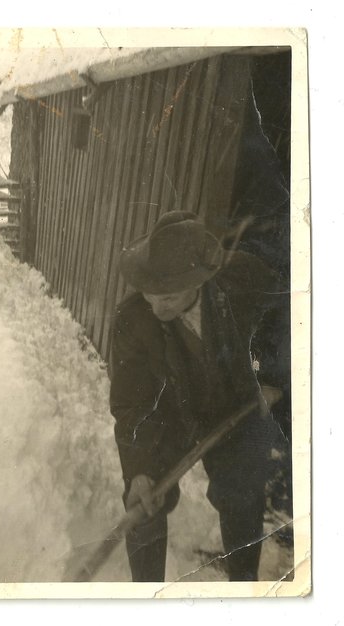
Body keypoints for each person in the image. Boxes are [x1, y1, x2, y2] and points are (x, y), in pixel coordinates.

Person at [110, 210, 286, 582]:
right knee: (144, 502)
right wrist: (140, 469)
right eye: (149, 295)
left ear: (198, 282)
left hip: (238, 406)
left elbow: (285, 319)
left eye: (169, 297)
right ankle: (147, 598)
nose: (157, 308)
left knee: (240, 491)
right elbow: (132, 403)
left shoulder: (243, 279)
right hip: (173, 413)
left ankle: (244, 587)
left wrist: (271, 378)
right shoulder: (132, 320)